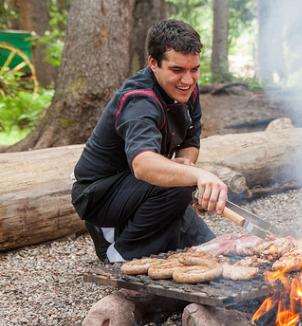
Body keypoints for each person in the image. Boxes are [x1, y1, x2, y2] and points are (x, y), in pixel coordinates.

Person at [71, 19, 227, 263]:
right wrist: (197, 176)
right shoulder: (139, 100)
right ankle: (120, 250)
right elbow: (143, 165)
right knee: (180, 185)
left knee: (212, 249)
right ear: (153, 63)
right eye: (177, 70)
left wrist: (186, 163)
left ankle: (157, 238)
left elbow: (190, 141)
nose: (188, 80)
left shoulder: (187, 90)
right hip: (101, 194)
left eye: (194, 69)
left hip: (143, 190)